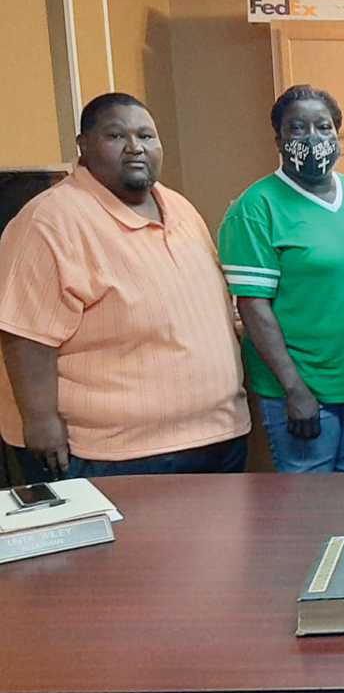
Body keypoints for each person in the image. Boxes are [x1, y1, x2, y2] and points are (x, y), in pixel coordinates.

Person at [0, 93, 251, 479]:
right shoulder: (50, 221)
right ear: (84, 146)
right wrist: (40, 423)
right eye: (116, 136)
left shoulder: (179, 207)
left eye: (146, 136)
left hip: (217, 438)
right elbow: (24, 336)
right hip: (114, 455)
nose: (135, 147)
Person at [218, 85, 344, 473]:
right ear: (279, 138)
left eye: (324, 126)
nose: (313, 138)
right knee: (310, 506)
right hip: (302, 389)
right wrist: (295, 390)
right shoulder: (256, 208)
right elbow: (254, 306)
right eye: (298, 128)